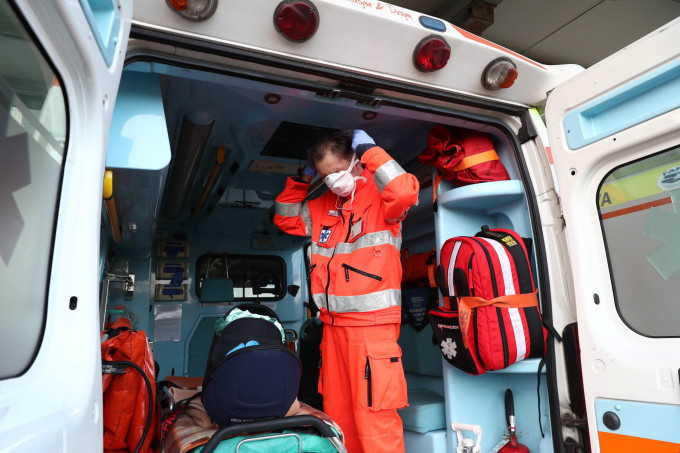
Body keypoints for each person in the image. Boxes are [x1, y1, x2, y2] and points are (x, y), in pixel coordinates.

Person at [273, 130, 420, 453]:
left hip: (372, 328)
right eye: (325, 176)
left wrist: (370, 150)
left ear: (356, 162)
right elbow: (285, 219)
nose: (333, 181)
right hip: (333, 329)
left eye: (337, 171)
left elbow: (404, 190)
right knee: (338, 416)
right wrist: (303, 178)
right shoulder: (322, 205)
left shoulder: (382, 198)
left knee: (375, 419)